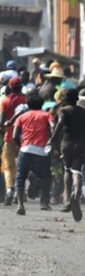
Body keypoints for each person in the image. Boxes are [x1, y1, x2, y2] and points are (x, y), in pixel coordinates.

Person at [12, 92, 53, 215]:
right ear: (42, 104)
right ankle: (44, 202)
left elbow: (14, 136)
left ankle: (20, 205)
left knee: (20, 177)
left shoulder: (22, 117)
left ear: (28, 105)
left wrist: (21, 146)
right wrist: (52, 140)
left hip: (25, 150)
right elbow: (53, 126)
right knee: (46, 176)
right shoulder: (47, 115)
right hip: (42, 151)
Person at [49, 89, 85, 221]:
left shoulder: (63, 111)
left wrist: (53, 138)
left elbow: (60, 123)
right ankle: (76, 196)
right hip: (81, 146)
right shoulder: (83, 111)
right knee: (77, 172)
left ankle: (67, 201)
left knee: (67, 171)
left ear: (64, 99)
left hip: (67, 145)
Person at [0, 77, 27, 205]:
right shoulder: (26, 100)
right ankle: (18, 191)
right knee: (21, 166)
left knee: (9, 167)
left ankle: (9, 190)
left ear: (10, 87)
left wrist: (5, 131)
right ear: (21, 87)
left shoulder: (5, 101)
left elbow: (1, 122)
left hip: (9, 137)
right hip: (24, 138)